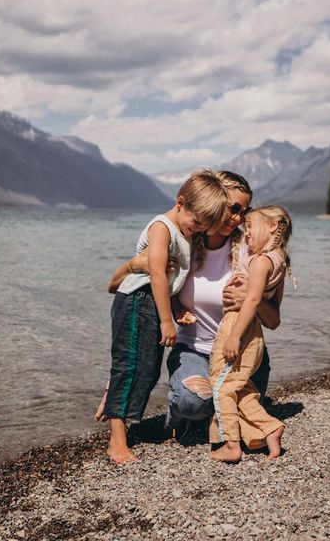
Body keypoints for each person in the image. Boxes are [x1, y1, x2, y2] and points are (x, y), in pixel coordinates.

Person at [103, 171, 281, 443]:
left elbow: (273, 320)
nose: (236, 219)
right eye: (232, 208)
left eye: (244, 213)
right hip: (193, 352)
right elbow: (128, 285)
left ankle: (218, 412)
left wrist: (249, 299)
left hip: (241, 357)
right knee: (192, 403)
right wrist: (115, 381)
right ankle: (190, 414)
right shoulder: (182, 241)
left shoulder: (252, 252)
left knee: (238, 407)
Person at [103, 170, 228, 463]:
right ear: (180, 202)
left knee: (147, 369)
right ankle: (116, 440)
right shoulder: (162, 227)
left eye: (203, 227)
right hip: (136, 301)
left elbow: (170, 282)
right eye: (196, 222)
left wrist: (175, 310)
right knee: (129, 366)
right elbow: (157, 274)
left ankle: (126, 421)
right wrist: (166, 321)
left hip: (154, 304)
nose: (197, 229)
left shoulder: (184, 233)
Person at [209, 205, 294, 463]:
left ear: (272, 227)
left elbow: (253, 298)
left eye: (249, 227)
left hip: (240, 327)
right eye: (244, 229)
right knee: (239, 388)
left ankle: (231, 443)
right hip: (251, 332)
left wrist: (234, 335)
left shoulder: (261, 260)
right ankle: (268, 428)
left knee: (221, 386)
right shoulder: (277, 259)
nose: (245, 234)